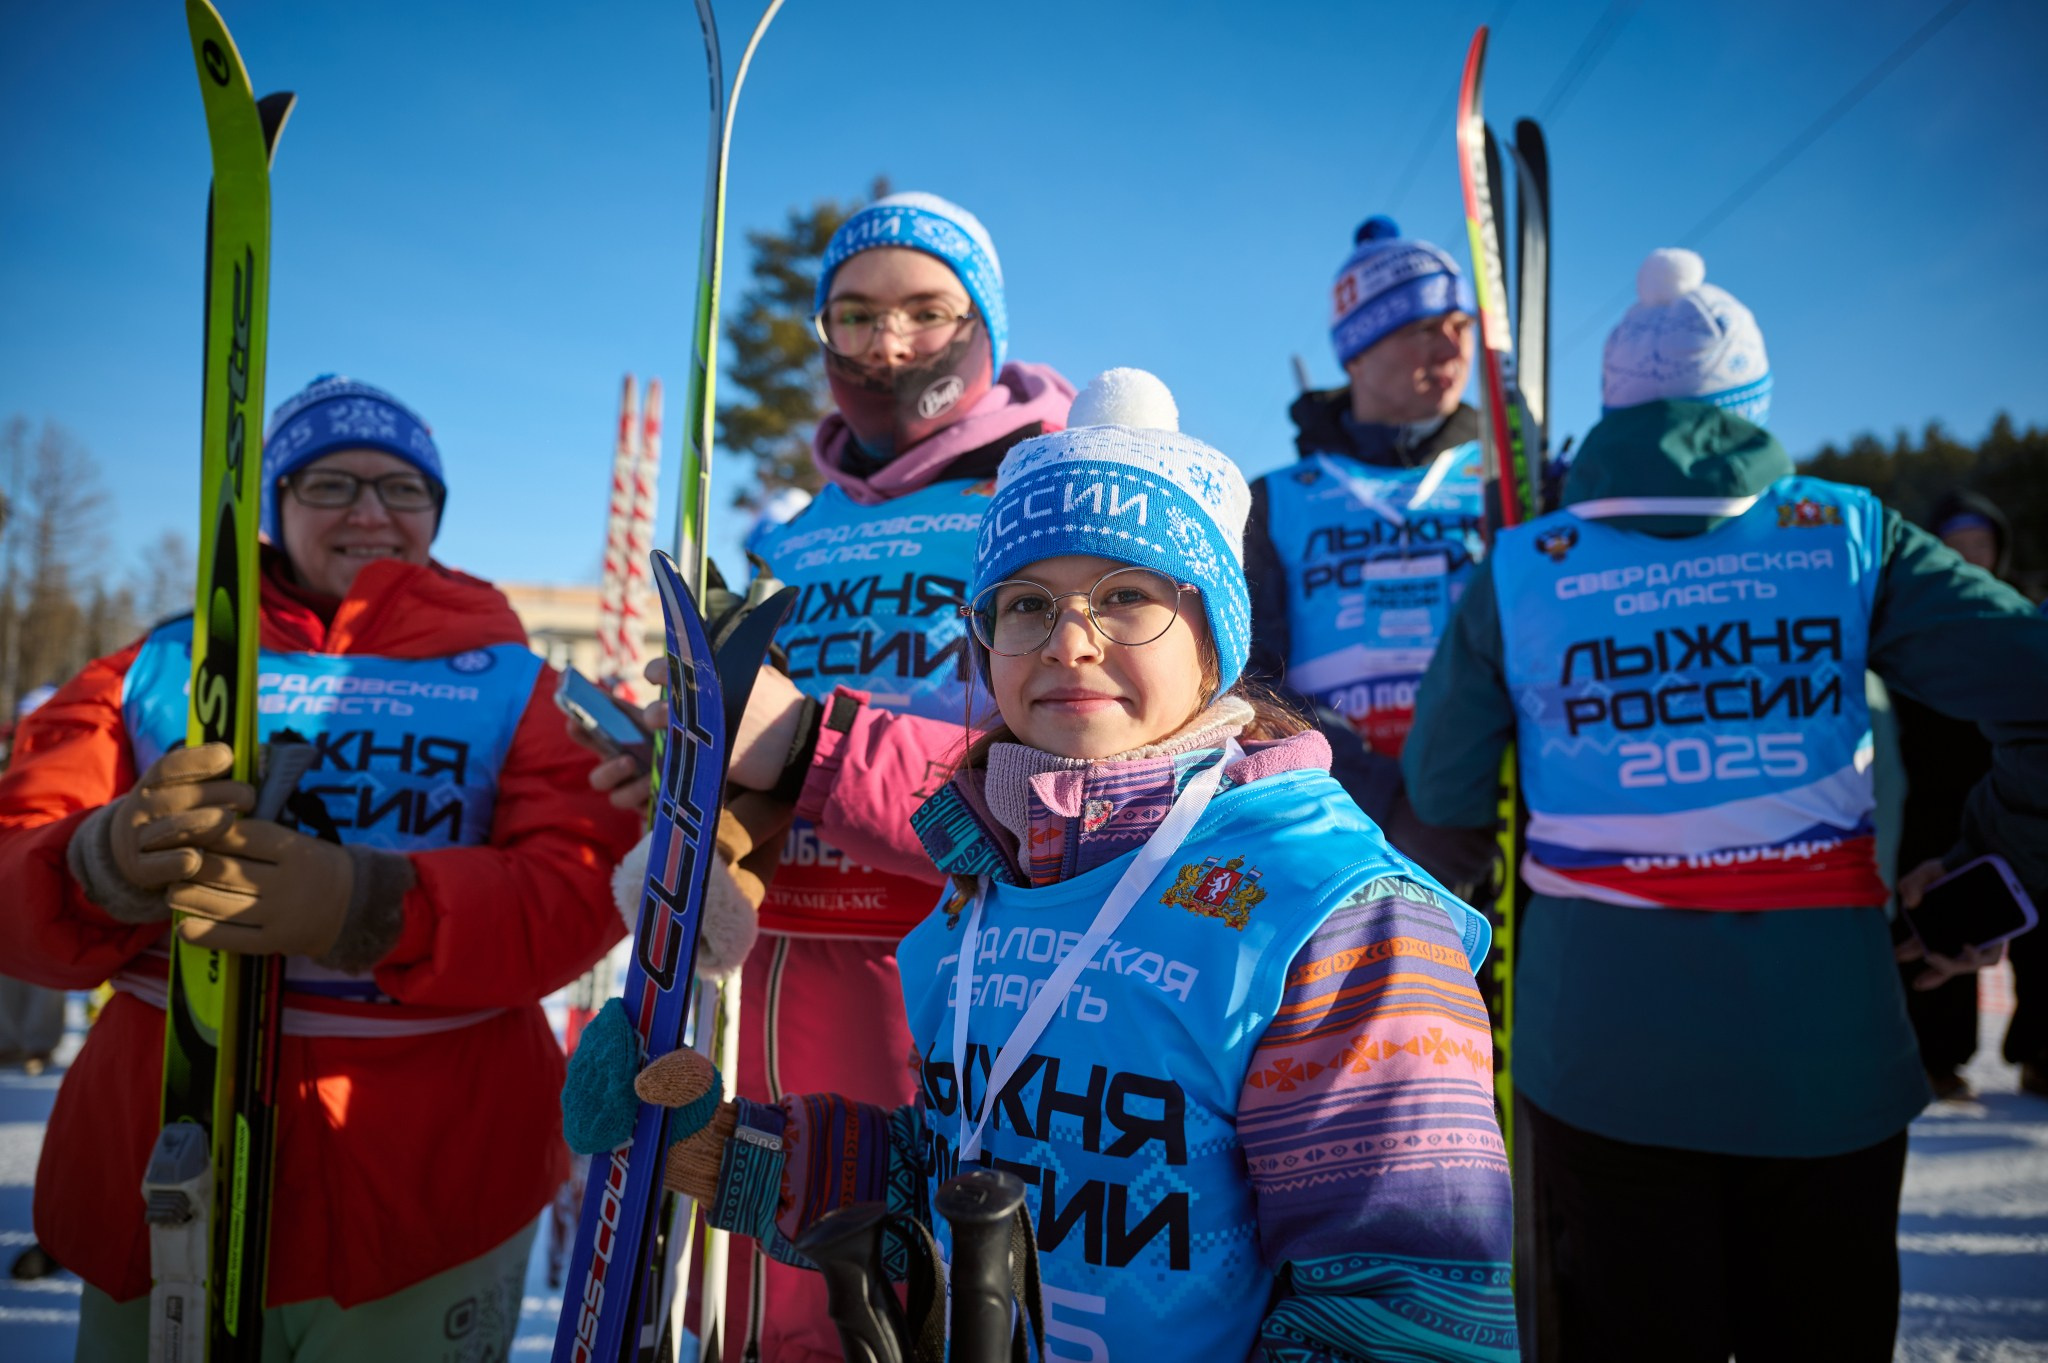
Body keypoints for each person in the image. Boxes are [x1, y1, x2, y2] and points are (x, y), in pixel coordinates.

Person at [574, 369, 1518, 1361]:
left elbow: (1402, 1310)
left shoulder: (1334, 913)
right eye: (1023, 604)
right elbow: (952, 1169)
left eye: (1125, 596)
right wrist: (717, 1148)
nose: (1067, 641)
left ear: (1214, 638)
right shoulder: (987, 878)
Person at [1401, 249, 2048, 1360]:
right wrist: (1981, 875)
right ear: (1749, 406)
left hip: (1597, 1064)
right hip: (1827, 1060)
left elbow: (1442, 792)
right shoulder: (1845, 535)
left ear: (1611, 412)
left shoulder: (1523, 568)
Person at [0, 375, 640, 1359]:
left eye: (404, 489)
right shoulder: (156, 665)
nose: (372, 512)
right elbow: (17, 861)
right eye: (331, 484)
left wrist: (366, 904)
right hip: (165, 1151)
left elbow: (580, 891)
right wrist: (101, 859)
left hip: (432, 1175)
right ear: (277, 503)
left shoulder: (518, 682)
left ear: (437, 511)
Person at [586, 191, 1074, 1360]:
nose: (887, 345)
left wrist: (809, 741)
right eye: (852, 317)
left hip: (956, 974)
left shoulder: (1041, 503)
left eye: (923, 311)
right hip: (770, 973)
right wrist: (689, 786)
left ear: (985, 324)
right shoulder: (792, 534)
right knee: (782, 1306)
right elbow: (752, 743)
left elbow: (1062, 784)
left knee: (926, 1307)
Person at [1244, 216, 1490, 888]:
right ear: (1356, 352)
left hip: (1489, 808)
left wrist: (1460, 792)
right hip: (1341, 809)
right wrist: (1379, 794)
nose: (1449, 343)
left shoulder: (1509, 478)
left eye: (1461, 324)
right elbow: (1252, 671)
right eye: (1419, 327)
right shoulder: (1275, 498)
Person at [1894, 489, 2045, 1099]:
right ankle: (1937, 1057)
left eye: (1981, 545)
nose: (1970, 558)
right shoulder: (1917, 644)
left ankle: (2040, 1048)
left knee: (2036, 929)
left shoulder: (2026, 630)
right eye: (1955, 549)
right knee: (1943, 924)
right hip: (1941, 801)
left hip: (2020, 803)